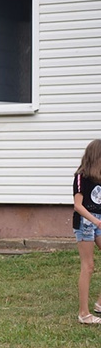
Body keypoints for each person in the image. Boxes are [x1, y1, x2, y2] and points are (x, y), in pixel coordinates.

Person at [72, 139, 101, 324]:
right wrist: (96, 221)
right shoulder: (81, 176)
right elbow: (78, 206)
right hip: (85, 222)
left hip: (98, 220)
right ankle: (84, 313)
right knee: (88, 266)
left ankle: (100, 304)